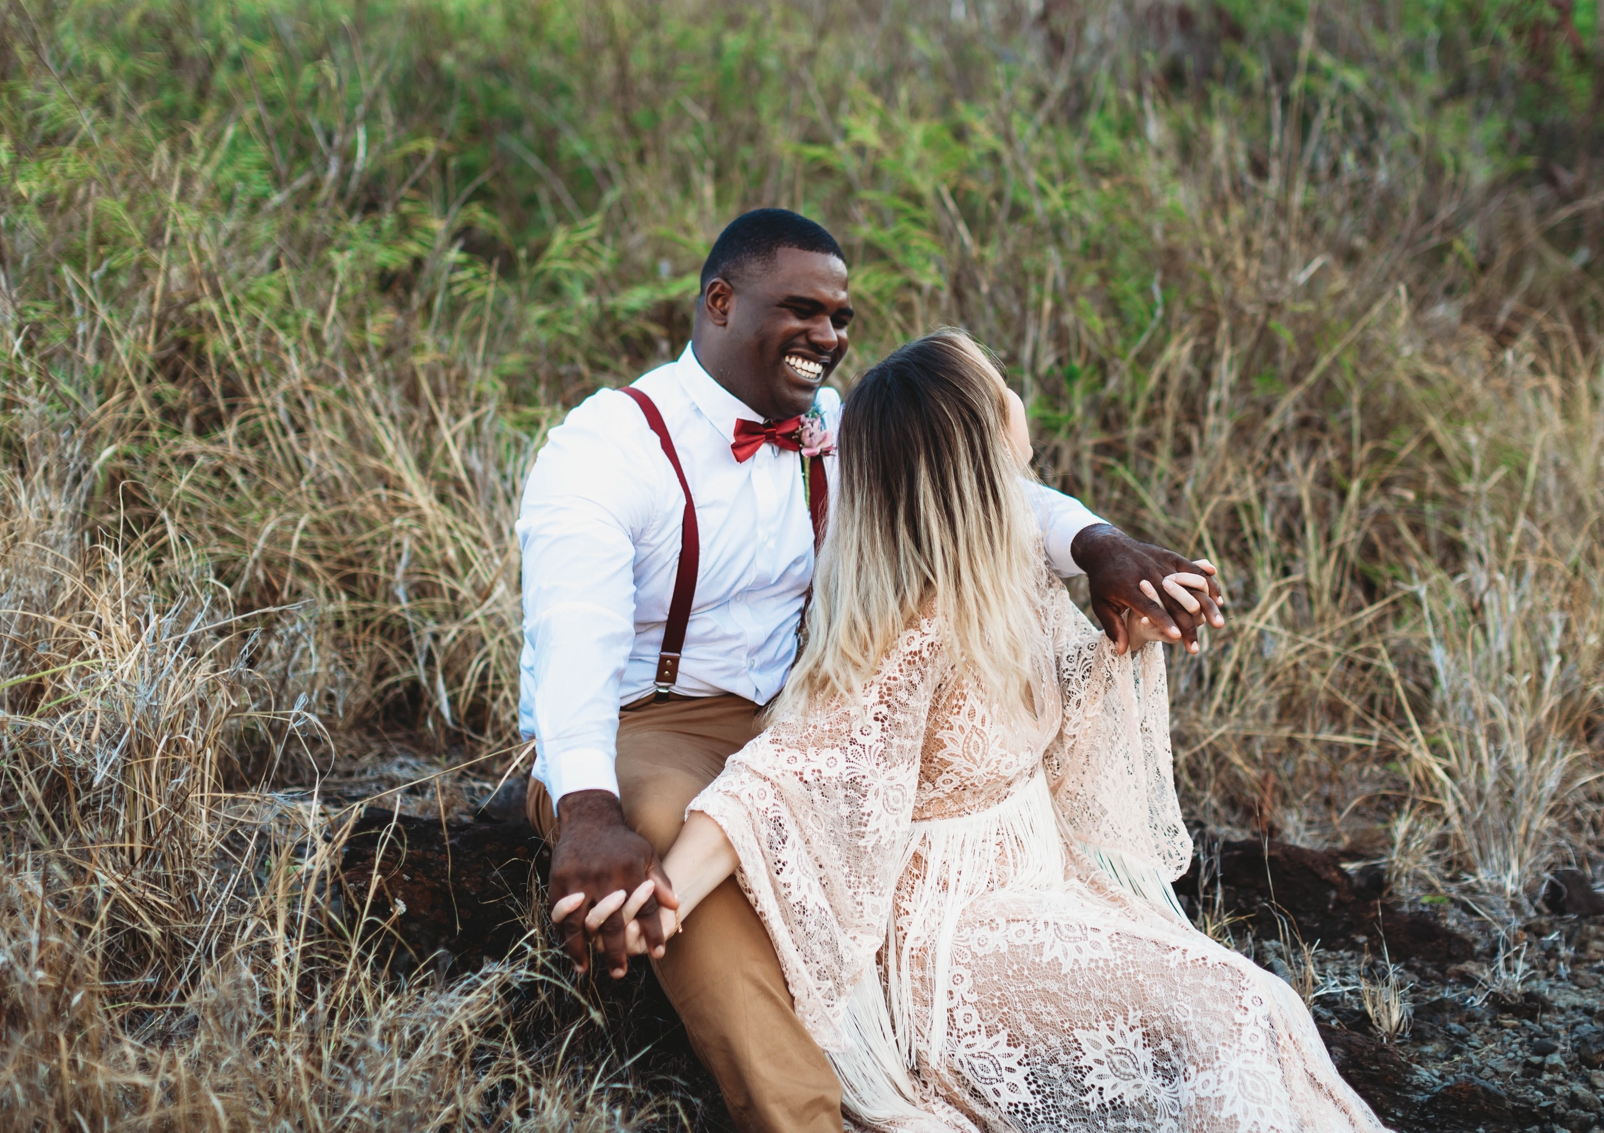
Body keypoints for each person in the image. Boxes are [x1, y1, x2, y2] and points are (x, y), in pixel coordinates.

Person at [570, 330, 1389, 1133]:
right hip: (953, 931)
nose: (1018, 398)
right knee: (1237, 1010)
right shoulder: (916, 623)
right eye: (1001, 388)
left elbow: (1042, 709)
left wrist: (1125, 639)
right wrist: (660, 902)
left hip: (1040, 879)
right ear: (986, 435)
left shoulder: (1015, 564)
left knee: (1265, 1009)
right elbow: (783, 774)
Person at [519, 207, 1225, 1133]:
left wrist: (1092, 542)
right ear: (721, 302)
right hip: (648, 725)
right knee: (681, 848)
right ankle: (805, 1114)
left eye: (840, 317)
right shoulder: (609, 446)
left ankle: (933, 1029)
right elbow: (573, 636)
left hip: (804, 710)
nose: (829, 336)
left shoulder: (833, 425)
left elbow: (974, 483)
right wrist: (586, 805)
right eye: (801, 308)